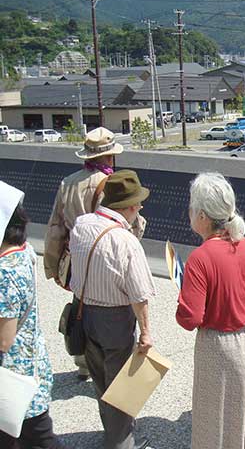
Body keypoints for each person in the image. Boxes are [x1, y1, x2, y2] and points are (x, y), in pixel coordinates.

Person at [176, 173, 245, 449]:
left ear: (201, 215)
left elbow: (190, 318)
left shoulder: (201, 258)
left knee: (220, 427)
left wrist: (181, 298)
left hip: (224, 349)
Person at [44, 126, 145, 381]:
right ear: (109, 157)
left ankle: (83, 361)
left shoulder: (68, 182)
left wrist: (53, 266)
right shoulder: (109, 185)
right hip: (105, 253)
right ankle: (110, 366)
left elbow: (55, 226)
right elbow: (126, 222)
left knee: (81, 301)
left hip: (74, 254)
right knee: (109, 305)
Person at [69, 170, 155, 449]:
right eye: (138, 204)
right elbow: (139, 295)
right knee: (122, 385)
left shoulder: (81, 224)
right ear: (129, 207)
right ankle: (120, 443)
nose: (140, 207)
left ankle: (112, 432)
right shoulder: (125, 240)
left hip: (83, 312)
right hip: (115, 318)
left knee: (100, 379)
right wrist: (146, 333)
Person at [0, 182, 65, 449]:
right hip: (32, 362)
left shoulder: (4, 272)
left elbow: (3, 339)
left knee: (36, 437)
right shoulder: (24, 251)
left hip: (12, 378)